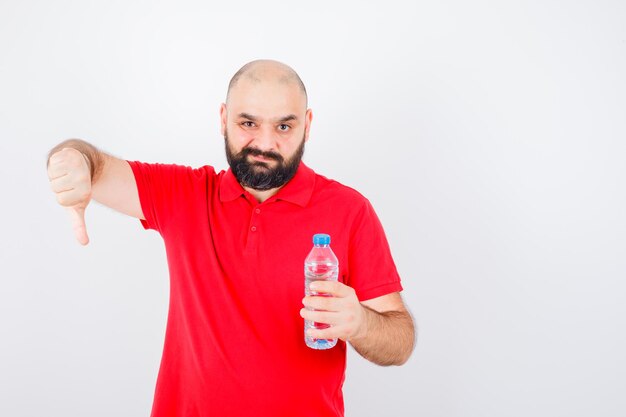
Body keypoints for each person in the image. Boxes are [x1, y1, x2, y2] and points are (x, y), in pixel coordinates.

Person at [46, 59, 416, 417]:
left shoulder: (350, 210)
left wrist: (361, 322)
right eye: (248, 123)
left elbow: (399, 340)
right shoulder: (185, 194)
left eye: (284, 127)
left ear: (307, 124)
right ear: (223, 119)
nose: (265, 143)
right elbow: (97, 166)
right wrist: (74, 159)